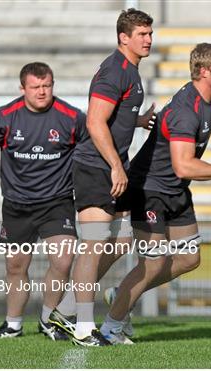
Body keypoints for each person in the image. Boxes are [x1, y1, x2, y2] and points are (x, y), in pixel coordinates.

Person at [99, 43, 211, 344]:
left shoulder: (206, 96)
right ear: (205, 72)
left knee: (190, 259)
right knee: (153, 263)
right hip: (150, 189)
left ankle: (123, 294)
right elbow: (183, 166)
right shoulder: (185, 113)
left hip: (175, 191)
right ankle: (111, 328)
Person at [48, 9, 155, 347]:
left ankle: (65, 308)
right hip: (96, 167)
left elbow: (113, 117)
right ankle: (82, 326)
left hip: (112, 165)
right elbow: (95, 122)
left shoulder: (131, 72)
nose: (148, 39)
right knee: (93, 245)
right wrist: (116, 165)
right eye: (141, 34)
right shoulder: (115, 71)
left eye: (150, 33)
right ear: (124, 37)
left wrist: (137, 122)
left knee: (122, 242)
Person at [0, 62, 86, 341]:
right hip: (18, 206)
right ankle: (13, 324)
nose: (42, 92)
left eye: (47, 86)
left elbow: (96, 144)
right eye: (36, 87)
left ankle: (48, 320)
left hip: (57, 203)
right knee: (16, 266)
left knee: (63, 260)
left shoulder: (70, 117)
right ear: (23, 89)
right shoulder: (6, 117)